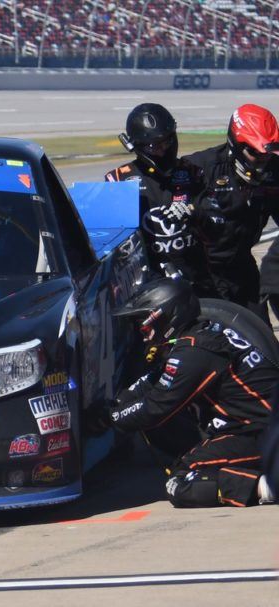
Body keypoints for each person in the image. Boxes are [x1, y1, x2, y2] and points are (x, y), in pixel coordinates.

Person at [101, 278, 276, 508]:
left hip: (263, 433)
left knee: (179, 481)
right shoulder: (203, 334)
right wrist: (120, 401)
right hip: (257, 427)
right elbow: (152, 380)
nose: (141, 330)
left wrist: (109, 419)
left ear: (167, 315)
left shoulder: (193, 352)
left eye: (142, 322)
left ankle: (270, 488)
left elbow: (156, 407)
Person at [105, 103, 220, 296]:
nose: (163, 150)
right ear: (136, 146)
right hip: (149, 287)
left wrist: (195, 212)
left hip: (201, 281)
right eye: (154, 146)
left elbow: (219, 223)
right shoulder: (118, 180)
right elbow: (110, 243)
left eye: (167, 142)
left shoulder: (193, 172)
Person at [184, 104, 279, 319]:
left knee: (262, 340)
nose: (263, 161)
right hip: (204, 274)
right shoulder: (199, 168)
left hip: (242, 268)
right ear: (236, 144)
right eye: (255, 153)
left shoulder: (275, 170)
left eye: (268, 154)